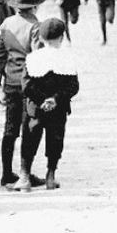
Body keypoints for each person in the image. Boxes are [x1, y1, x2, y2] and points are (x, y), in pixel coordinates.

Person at [20, 16, 79, 191]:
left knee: (29, 140)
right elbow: (73, 86)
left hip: (35, 109)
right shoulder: (67, 59)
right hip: (58, 109)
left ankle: (24, 175)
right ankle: (50, 175)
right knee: (55, 140)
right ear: (61, 38)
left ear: (42, 38)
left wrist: (41, 100)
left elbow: (26, 85)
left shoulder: (32, 59)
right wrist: (55, 99)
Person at [0, 0, 44, 189]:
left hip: (10, 82)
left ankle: (6, 173)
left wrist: (1, 76)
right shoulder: (36, 26)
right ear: (34, 6)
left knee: (10, 128)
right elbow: (37, 56)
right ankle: (25, 173)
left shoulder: (6, 23)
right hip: (29, 84)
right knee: (30, 127)